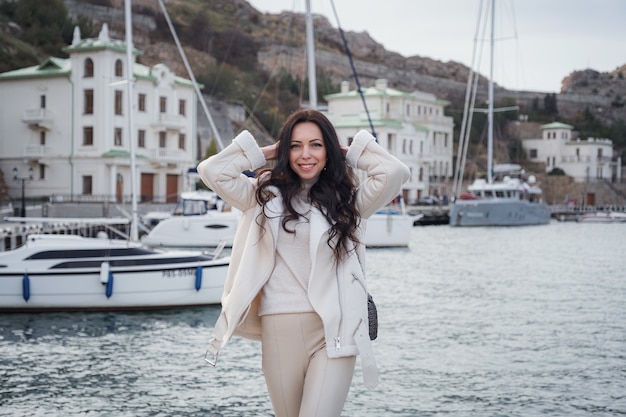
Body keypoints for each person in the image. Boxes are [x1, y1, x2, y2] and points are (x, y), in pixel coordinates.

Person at [197, 109, 409, 417]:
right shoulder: (262, 196)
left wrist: (351, 152)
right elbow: (212, 171)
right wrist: (264, 152)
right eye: (295, 145)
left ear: (329, 150)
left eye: (316, 145)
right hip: (278, 328)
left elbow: (394, 172)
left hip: (334, 331)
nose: (305, 154)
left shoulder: (350, 202)